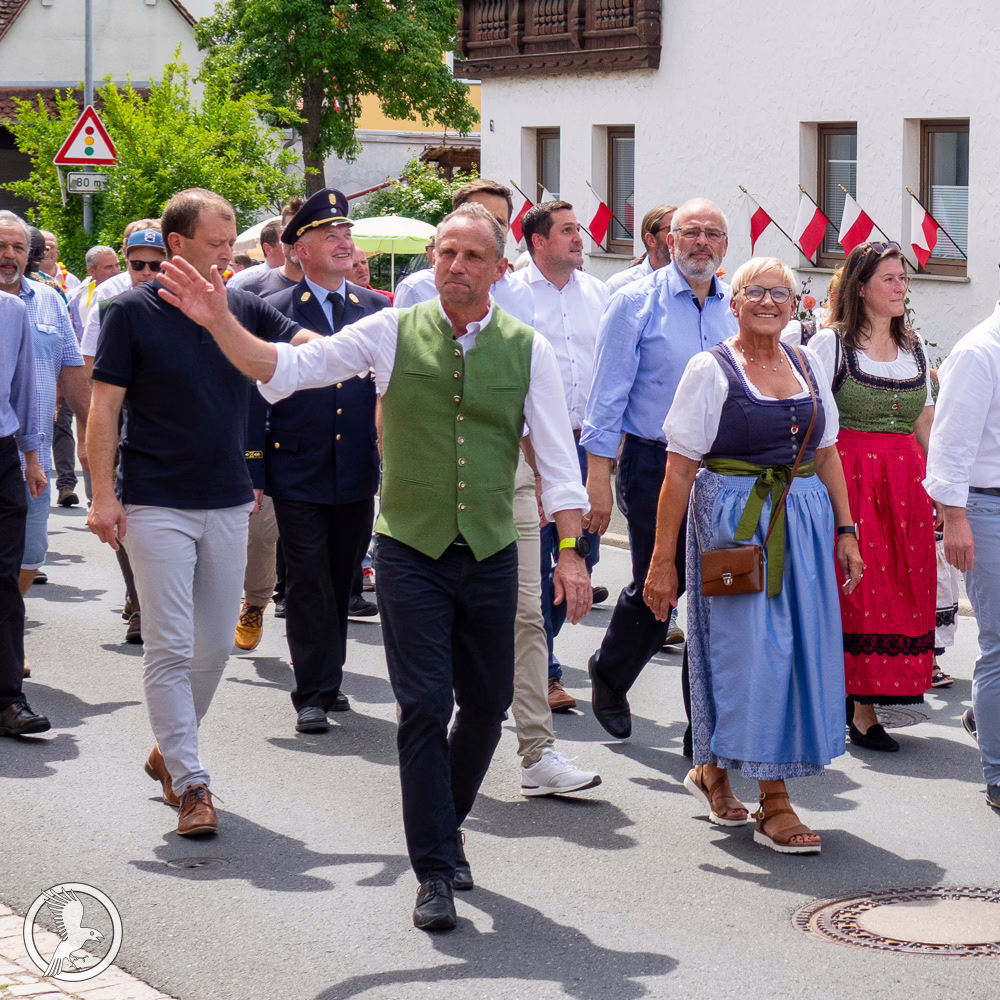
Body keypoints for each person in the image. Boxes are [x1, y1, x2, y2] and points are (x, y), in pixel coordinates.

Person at [155, 200, 593, 931]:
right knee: (423, 706)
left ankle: (444, 826)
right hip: (410, 548)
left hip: (490, 547)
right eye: (445, 253)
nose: (455, 266)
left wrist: (572, 555)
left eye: (472, 256)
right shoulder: (391, 328)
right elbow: (288, 366)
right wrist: (219, 321)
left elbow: (558, 462)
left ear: (498, 269)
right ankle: (434, 870)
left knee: (486, 705)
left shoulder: (528, 349)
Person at [87, 189, 307, 838]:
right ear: (176, 245)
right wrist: (102, 494)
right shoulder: (130, 312)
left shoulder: (243, 307)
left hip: (230, 497)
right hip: (154, 500)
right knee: (170, 643)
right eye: (216, 243)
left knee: (213, 645)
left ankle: (170, 749)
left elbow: (313, 351)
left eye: (231, 241)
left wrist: (380, 349)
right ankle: (191, 783)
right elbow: (104, 409)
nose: (227, 254)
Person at [385, 179, 600, 796]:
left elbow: (539, 406)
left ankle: (536, 750)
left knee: (526, 615)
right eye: (461, 237)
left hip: (514, 475)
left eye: (494, 227)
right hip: (433, 484)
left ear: (504, 251)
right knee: (430, 657)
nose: (467, 257)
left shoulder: (527, 305)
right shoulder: (414, 300)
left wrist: (561, 505)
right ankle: (429, 762)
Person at [646, 257, 863, 853]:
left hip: (805, 524)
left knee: (796, 652)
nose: (769, 302)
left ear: (795, 305)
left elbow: (827, 453)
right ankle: (774, 800)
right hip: (736, 527)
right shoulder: (710, 369)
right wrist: (662, 563)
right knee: (750, 653)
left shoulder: (807, 361)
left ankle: (711, 770)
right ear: (734, 302)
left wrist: (847, 530)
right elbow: (678, 470)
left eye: (781, 293)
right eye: (755, 292)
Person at [582, 198, 737, 743]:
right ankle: (610, 672)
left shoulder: (736, 306)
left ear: (725, 246)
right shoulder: (634, 302)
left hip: (725, 471)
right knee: (661, 587)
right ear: (669, 242)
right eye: (690, 232)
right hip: (654, 464)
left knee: (719, 595)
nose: (701, 242)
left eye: (712, 234)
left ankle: (704, 731)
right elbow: (606, 397)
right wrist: (598, 479)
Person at [246, 188, 388, 731]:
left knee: (341, 578)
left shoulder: (376, 309)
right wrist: (254, 467)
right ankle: (312, 691)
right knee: (307, 580)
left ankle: (330, 677)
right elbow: (252, 395)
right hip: (296, 467)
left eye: (347, 233)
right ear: (299, 250)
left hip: (356, 466)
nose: (344, 242)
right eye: (330, 236)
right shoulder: (275, 311)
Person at [809, 242, 936, 752]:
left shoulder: (915, 347)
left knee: (902, 587)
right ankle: (860, 710)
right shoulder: (832, 345)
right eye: (890, 278)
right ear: (861, 288)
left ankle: (874, 692)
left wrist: (944, 486)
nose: (902, 287)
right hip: (851, 477)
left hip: (907, 482)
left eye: (903, 278)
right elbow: (814, 424)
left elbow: (924, 421)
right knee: (859, 590)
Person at [513, 200, 609, 711]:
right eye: (568, 230)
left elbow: (609, 376)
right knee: (538, 555)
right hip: (530, 445)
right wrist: (532, 461)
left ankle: (533, 657)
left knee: (579, 556)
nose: (579, 238)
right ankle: (541, 671)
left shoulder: (597, 294)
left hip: (586, 446)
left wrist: (604, 456)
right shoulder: (512, 295)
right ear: (539, 241)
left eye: (579, 229)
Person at [924, 300, 1000, 811]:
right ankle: (998, 772)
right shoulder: (979, 351)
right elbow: (948, 444)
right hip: (987, 508)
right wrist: (954, 517)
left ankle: (985, 717)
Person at [81, 227, 168, 646]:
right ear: (126, 262)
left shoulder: (188, 302)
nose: (147, 272)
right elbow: (90, 369)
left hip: (168, 424)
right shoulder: (110, 304)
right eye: (138, 265)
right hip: (122, 421)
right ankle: (139, 601)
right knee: (125, 515)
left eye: (156, 264)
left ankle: (152, 601)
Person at [0, 212, 90, 612]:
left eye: (18, 247)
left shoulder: (51, 300)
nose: (9, 255)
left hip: (31, 460)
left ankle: (8, 624)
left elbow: (72, 370)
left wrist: (94, 434)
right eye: (1, 246)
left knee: (30, 555)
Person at [0, 256, 50, 737]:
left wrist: (31, 458)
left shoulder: (11, 311)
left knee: (4, 579)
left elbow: (23, 389)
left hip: (2, 456)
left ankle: (8, 700)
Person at [58, 245, 120, 507]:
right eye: (108, 267)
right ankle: (93, 497)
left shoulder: (125, 289)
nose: (115, 271)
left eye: (117, 265)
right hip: (87, 374)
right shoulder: (78, 295)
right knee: (89, 439)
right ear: (92, 271)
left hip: (119, 378)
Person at [232, 200, 305, 298]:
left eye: (305, 231)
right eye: (290, 231)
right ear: (281, 236)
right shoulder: (249, 287)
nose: (297, 240)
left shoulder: (325, 286)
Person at [604, 204, 676, 295]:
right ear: (651, 240)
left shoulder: (690, 282)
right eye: (673, 229)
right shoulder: (620, 285)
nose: (680, 236)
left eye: (686, 231)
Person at [227, 217, 284, 290]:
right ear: (268, 249)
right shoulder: (242, 280)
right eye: (285, 243)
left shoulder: (297, 279)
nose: (293, 247)